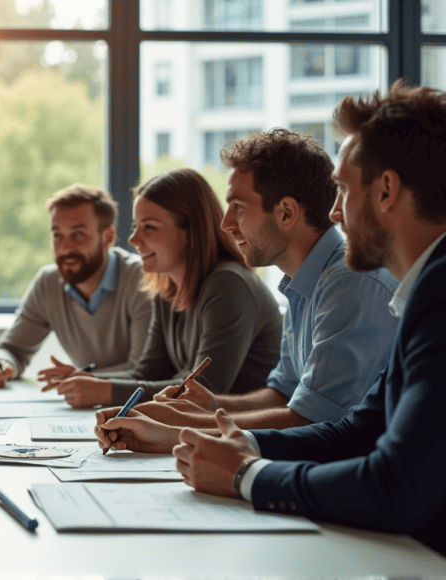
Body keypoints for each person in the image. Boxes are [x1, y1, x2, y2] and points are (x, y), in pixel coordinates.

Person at [98, 81, 446, 555]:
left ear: (386, 190)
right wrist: (188, 432)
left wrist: (245, 475)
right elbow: (355, 431)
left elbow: (395, 483)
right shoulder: (420, 289)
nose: (335, 213)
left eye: (342, 191)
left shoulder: (429, 294)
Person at [130, 129, 398, 431]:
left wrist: (185, 427)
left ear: (286, 213)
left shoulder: (350, 282)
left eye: (238, 208)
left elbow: (315, 418)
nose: (226, 223)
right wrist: (213, 405)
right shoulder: (301, 284)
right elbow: (284, 394)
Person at [46, 168, 282, 408]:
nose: (133, 239)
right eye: (136, 226)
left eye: (149, 227)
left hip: (250, 437)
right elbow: (147, 374)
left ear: (190, 232)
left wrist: (105, 390)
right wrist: (88, 380)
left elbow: (202, 392)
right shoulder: (167, 290)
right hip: (207, 433)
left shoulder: (228, 285)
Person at [0, 183, 152, 387]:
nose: (65, 247)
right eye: (57, 235)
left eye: (77, 234)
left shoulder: (142, 279)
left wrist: (83, 379)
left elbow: (144, 369)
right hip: (86, 406)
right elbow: (12, 349)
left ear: (108, 237)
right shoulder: (48, 283)